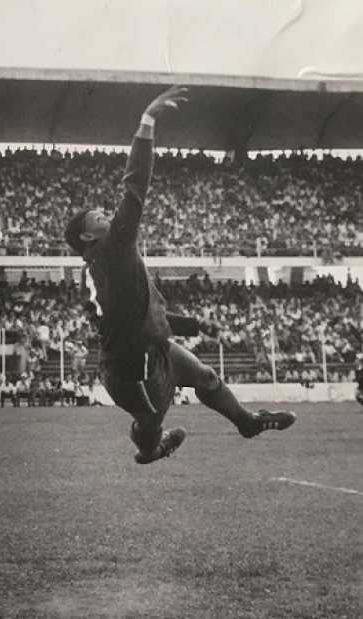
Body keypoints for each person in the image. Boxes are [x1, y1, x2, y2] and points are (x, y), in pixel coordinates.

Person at [63, 85, 296, 464]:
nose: (108, 214)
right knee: (150, 423)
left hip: (148, 348)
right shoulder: (110, 250)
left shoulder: (104, 263)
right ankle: (150, 450)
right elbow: (135, 187)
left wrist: (196, 325)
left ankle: (248, 423)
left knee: (205, 377)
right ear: (88, 235)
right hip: (129, 369)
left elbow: (144, 315)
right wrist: (147, 121)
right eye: (99, 216)